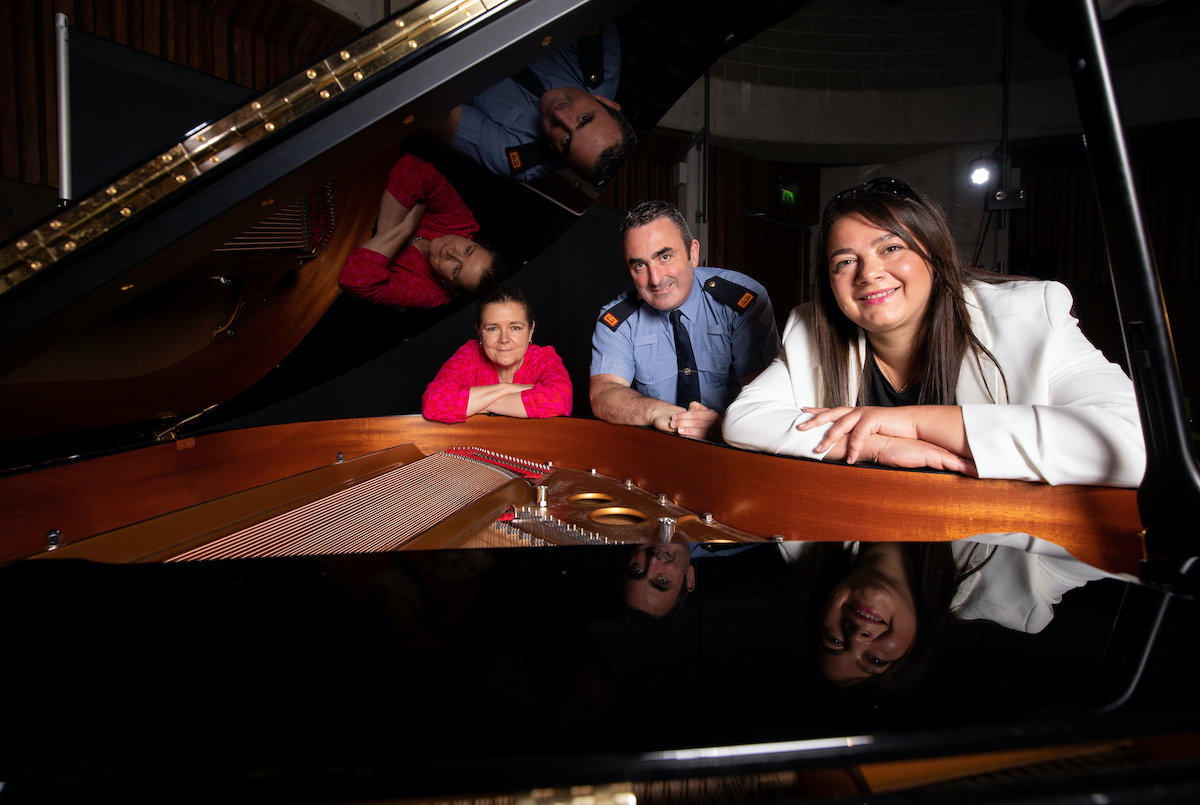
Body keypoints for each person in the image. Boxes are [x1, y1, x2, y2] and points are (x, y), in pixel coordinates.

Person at [723, 178, 1145, 487]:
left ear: (935, 256)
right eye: (844, 261)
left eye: (891, 248)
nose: (869, 274)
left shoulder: (1030, 314)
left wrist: (912, 423)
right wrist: (880, 446)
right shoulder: (812, 326)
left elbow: (1134, 443)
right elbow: (744, 421)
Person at [784, 535, 1134, 694]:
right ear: (916, 648)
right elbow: (1118, 533)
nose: (856, 637)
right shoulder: (1018, 594)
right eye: (874, 661)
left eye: (832, 640)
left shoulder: (798, 537)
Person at [590, 201, 782, 441]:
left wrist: (724, 425)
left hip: (735, 447)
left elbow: (767, 399)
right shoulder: (619, 318)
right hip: (657, 448)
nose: (656, 279)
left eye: (665, 256)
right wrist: (662, 414)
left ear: (692, 253)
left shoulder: (741, 302)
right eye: (640, 265)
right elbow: (603, 394)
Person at [426, 24, 636, 185]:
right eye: (583, 118)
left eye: (565, 141)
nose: (560, 116)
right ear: (606, 102)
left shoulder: (525, 159)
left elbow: (440, 119)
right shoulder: (601, 57)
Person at [338, 153, 500, 308]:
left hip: (338, 246)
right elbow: (414, 169)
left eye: (456, 269)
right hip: (356, 191)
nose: (451, 252)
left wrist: (405, 229)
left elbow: (354, 281)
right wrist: (381, 245)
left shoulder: (431, 292)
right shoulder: (462, 224)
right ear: (473, 242)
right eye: (467, 250)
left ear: (451, 287)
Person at [421, 286, 572, 422]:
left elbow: (561, 400)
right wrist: (507, 388)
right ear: (479, 332)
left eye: (515, 328)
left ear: (531, 330)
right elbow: (433, 404)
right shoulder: (469, 355)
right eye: (493, 328)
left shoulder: (543, 357)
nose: (504, 339)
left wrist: (478, 404)